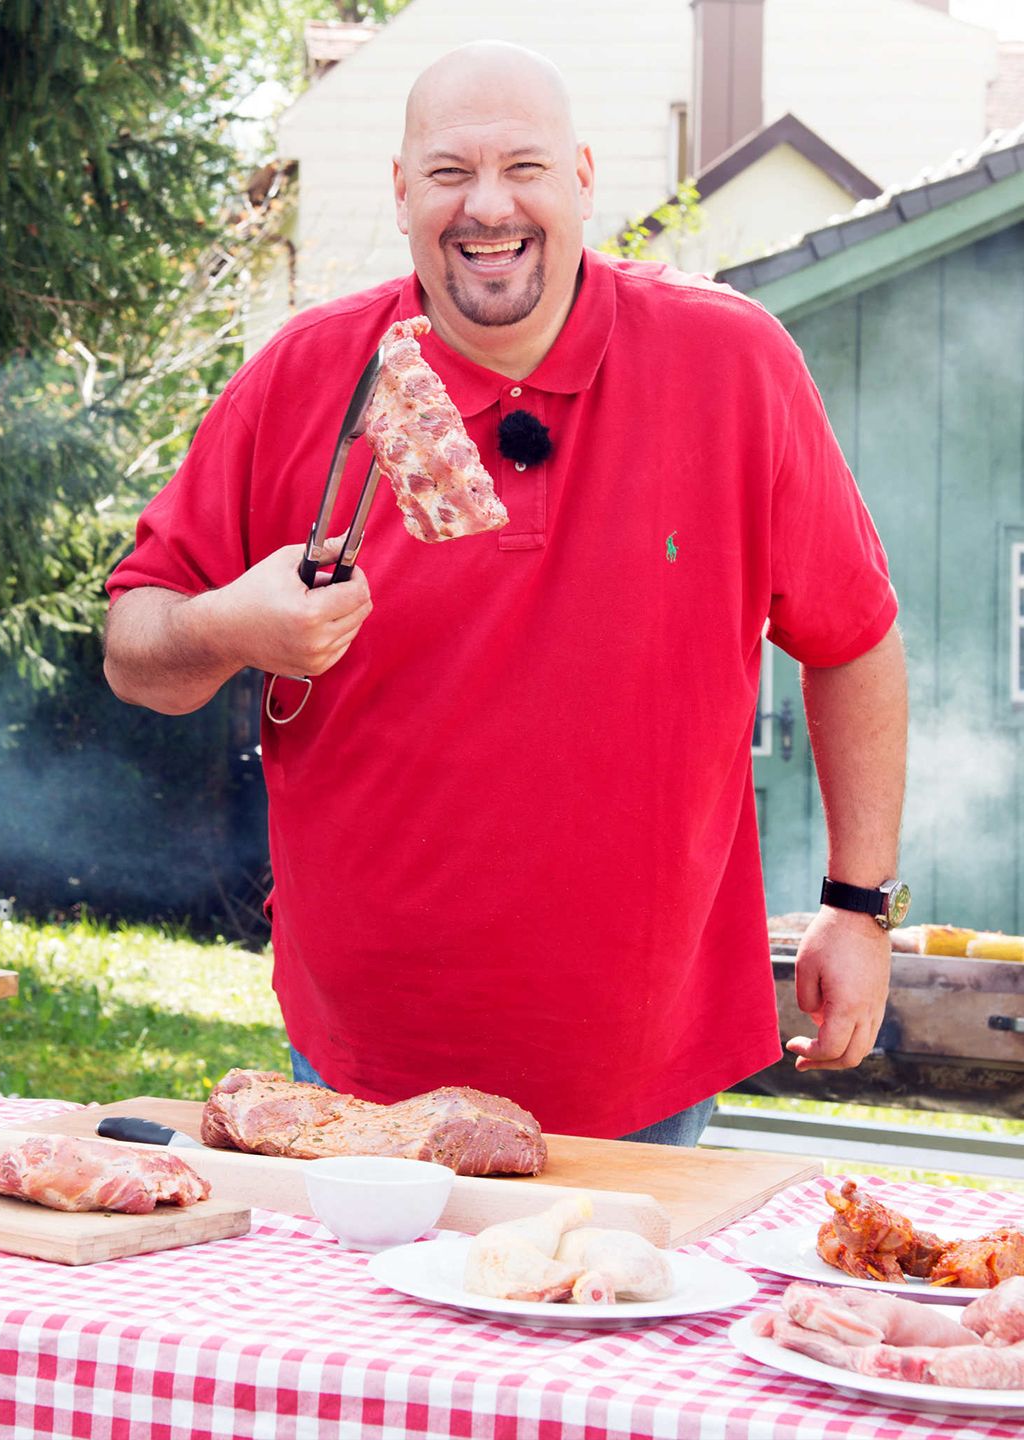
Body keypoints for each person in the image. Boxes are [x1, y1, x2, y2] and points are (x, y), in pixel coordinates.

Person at [102, 41, 907, 1144]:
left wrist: (859, 907)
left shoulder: (730, 366)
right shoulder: (306, 379)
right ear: (399, 192)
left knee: (606, 1311)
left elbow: (853, 637)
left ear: (581, 180)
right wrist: (232, 623)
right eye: (448, 174)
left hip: (643, 1059)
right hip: (359, 1063)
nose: (488, 206)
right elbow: (134, 650)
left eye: (524, 168)